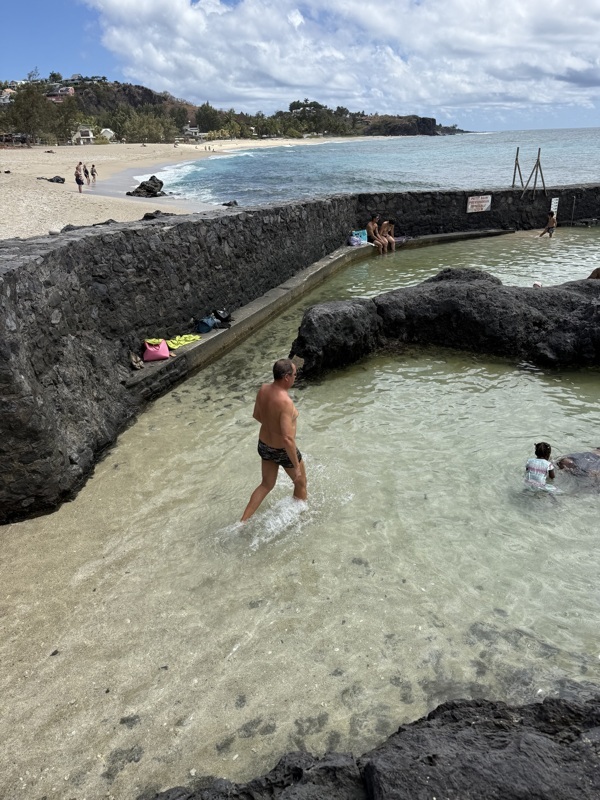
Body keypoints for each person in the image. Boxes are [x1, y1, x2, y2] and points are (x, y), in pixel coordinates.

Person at [241, 358, 307, 521]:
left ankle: (242, 522)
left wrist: (272, 426)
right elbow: (287, 439)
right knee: (300, 483)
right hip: (282, 450)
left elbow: (257, 415)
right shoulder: (285, 402)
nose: (295, 378)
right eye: (294, 375)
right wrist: (296, 466)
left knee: (266, 484)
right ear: (286, 377)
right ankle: (302, 519)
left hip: (264, 445)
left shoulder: (263, 389)